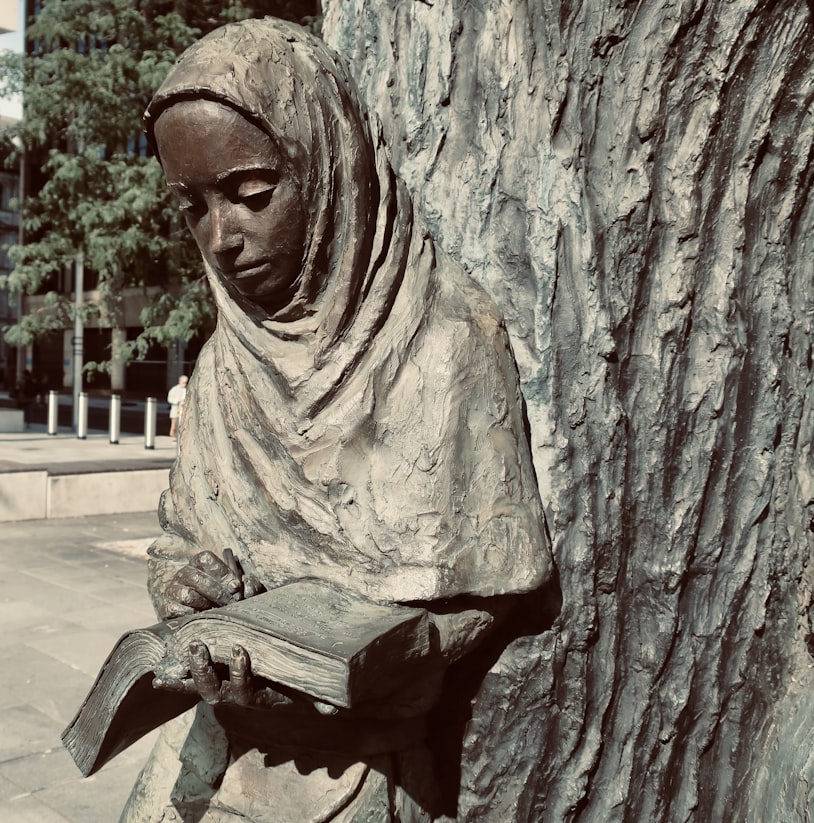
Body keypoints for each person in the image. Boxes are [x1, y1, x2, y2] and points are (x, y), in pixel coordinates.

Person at [124, 19, 554, 822]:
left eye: (252, 195)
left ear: (329, 167)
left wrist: (369, 664)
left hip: (365, 771)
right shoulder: (223, 366)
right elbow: (181, 536)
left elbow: (490, 588)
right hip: (215, 748)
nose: (222, 238)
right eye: (192, 208)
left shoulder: (446, 342)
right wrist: (186, 584)